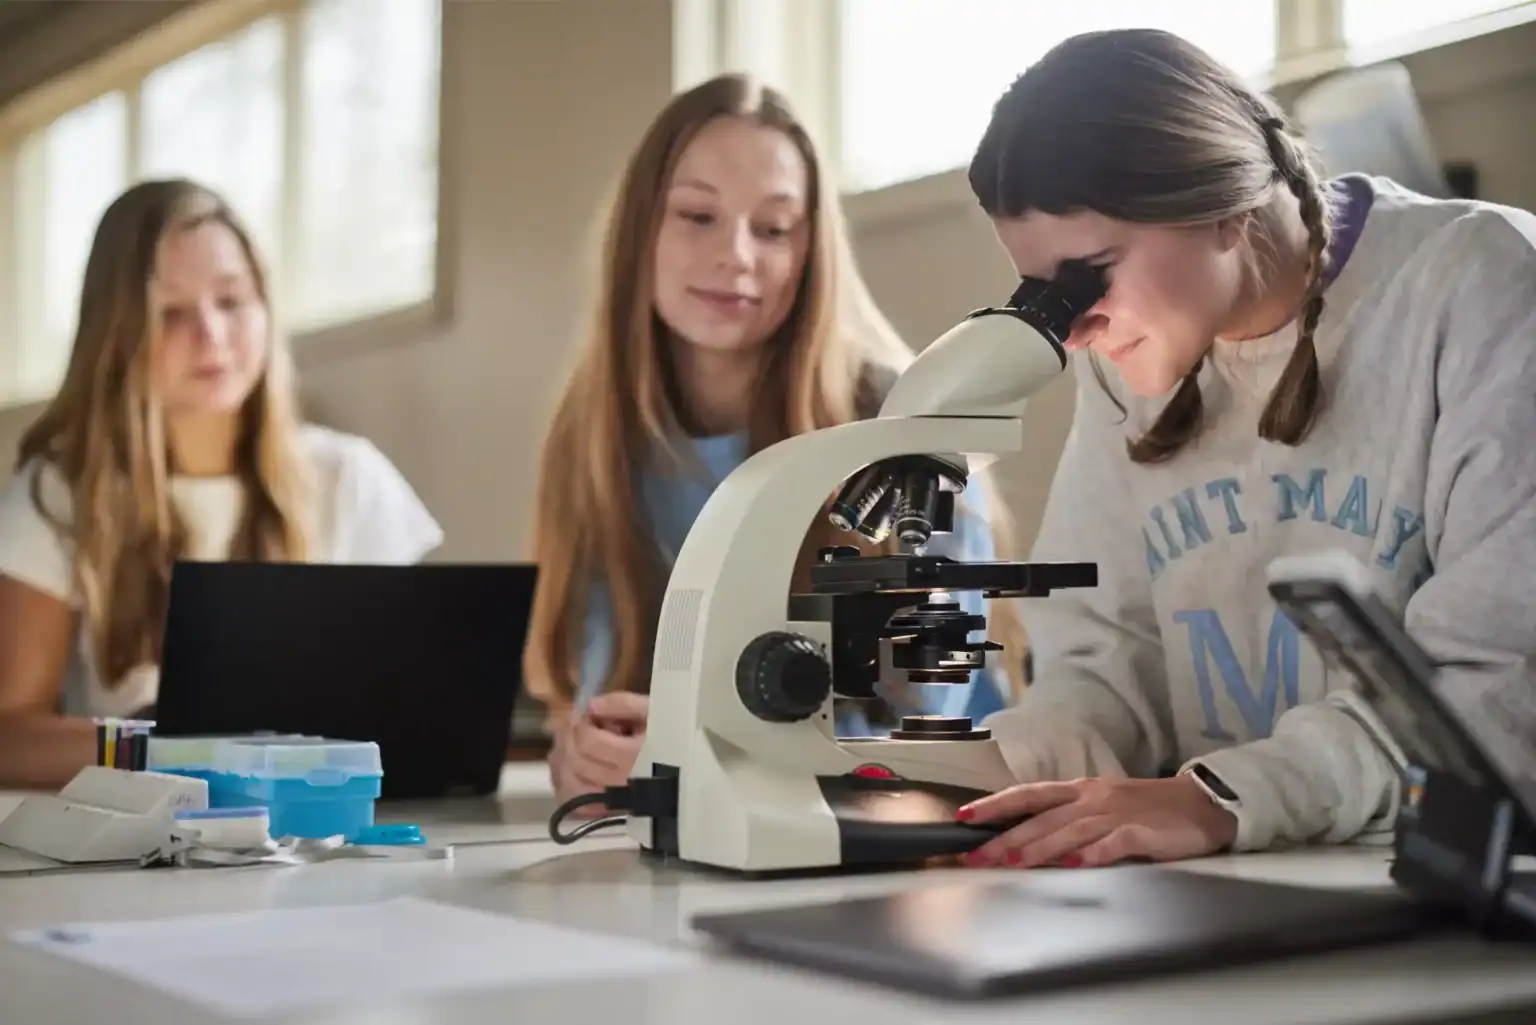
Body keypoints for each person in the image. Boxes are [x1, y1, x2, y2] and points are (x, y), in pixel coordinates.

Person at [954, 29, 1536, 868]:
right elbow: (1107, 662)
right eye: (1047, 295)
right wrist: (988, 772)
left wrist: (1219, 798)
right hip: (1249, 872)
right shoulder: (1130, 361)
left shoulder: (1477, 284)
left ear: (1222, 208)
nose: (1073, 332)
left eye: (1091, 275)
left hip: (1443, 876)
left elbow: (1496, 692)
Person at [524, 73, 1020, 807]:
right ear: (639, 233)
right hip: (706, 831)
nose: (737, 255)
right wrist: (589, 752)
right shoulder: (593, 439)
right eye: (697, 215)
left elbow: (924, 721)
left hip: (930, 823)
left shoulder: (904, 427)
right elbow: (599, 691)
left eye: (774, 228)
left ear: (809, 252)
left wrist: (703, 747)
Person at [0, 179, 444, 790]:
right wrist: (189, 752)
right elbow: (11, 736)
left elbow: (412, 706)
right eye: (170, 313)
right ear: (116, 334)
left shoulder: (349, 477)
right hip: (139, 847)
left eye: (231, 300)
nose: (210, 333)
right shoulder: (58, 493)